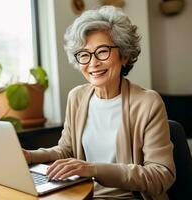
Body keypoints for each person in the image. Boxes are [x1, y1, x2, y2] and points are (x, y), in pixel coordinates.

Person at [23, 5, 175, 199]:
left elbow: (161, 176)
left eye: (102, 51)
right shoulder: (77, 97)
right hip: (82, 195)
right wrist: (30, 156)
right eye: (84, 54)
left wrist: (94, 169)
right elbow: (66, 151)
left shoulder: (148, 103)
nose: (93, 63)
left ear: (124, 55)